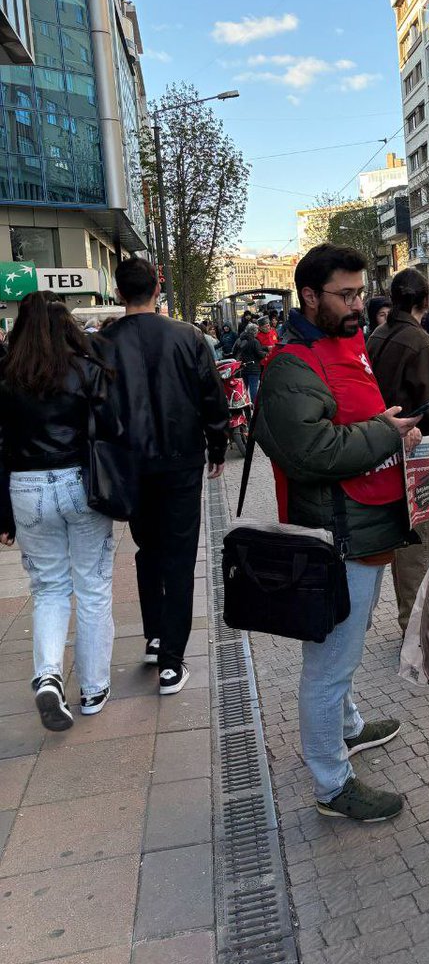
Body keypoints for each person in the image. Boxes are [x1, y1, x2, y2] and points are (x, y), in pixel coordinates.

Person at [254, 244, 422, 822]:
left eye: (359, 291)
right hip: (337, 537)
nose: (359, 304)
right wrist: (385, 433)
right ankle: (331, 784)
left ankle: (347, 729)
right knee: (328, 667)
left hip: (365, 529)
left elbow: (353, 423)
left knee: (340, 659)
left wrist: (393, 433)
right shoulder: (292, 364)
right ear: (309, 296)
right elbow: (310, 451)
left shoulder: (344, 343)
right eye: (345, 295)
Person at [103, 258, 228, 695]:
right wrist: (218, 445)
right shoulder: (187, 336)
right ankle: (172, 661)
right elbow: (211, 395)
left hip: (130, 463)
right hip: (180, 460)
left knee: (147, 549)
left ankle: (155, 636)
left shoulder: (103, 342)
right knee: (178, 556)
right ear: (158, 287)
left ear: (119, 293)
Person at [0, 294, 120, 729]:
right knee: (92, 585)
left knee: (49, 588)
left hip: (25, 487)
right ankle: (93, 689)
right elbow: (113, 430)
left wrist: (3, 514)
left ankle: (48, 676)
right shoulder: (87, 371)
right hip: (80, 483)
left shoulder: (6, 377)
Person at [368, 268, 429, 633]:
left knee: (411, 545)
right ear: (426, 300)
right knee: (421, 545)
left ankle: (413, 623)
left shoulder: (378, 334)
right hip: (421, 457)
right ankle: (416, 631)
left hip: (387, 451)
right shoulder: (418, 340)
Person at [236, 323, 267, 403]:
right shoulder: (254, 341)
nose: (257, 332)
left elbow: (234, 351)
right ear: (253, 332)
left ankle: (244, 403)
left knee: (244, 388)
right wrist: (265, 354)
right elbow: (259, 354)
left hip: (243, 367)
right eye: (257, 331)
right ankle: (254, 404)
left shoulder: (240, 339)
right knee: (253, 388)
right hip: (254, 368)